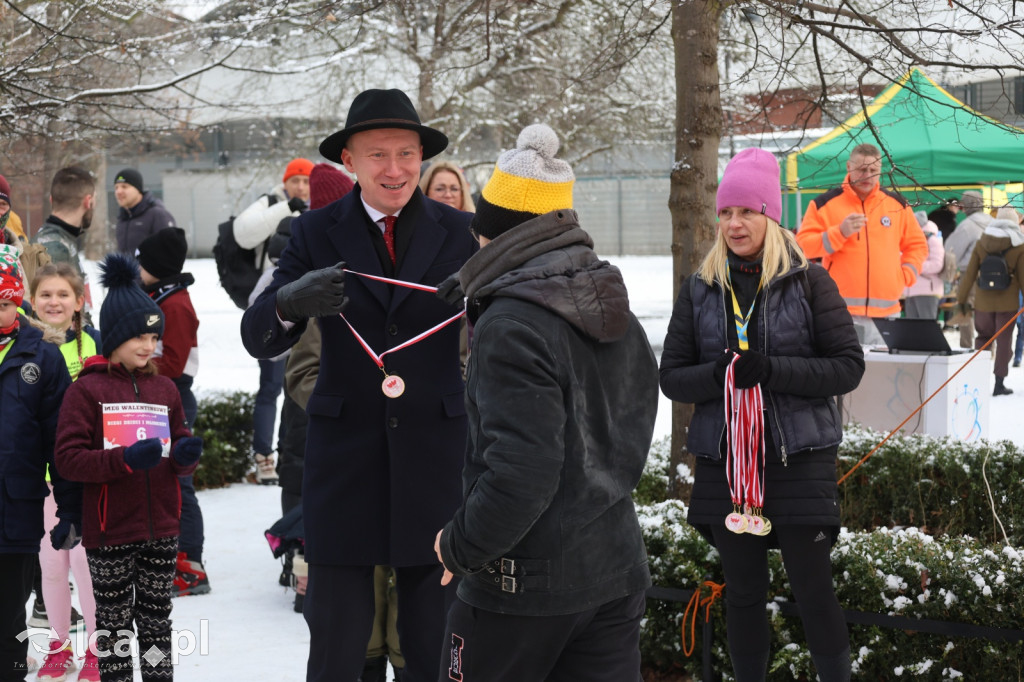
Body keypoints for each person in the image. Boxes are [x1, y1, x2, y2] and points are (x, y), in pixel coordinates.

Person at [240, 87, 477, 682]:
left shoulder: (462, 232)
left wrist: (485, 303)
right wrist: (289, 303)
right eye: (377, 155)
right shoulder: (314, 231)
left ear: (422, 155)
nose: (394, 170)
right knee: (339, 649)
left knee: (435, 645)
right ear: (348, 158)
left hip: (436, 465)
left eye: (406, 153)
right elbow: (257, 335)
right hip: (344, 468)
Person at [432, 124, 658, 680]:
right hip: (613, 569)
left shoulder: (512, 324)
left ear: (496, 234)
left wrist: (457, 545)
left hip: (524, 586)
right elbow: (631, 429)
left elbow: (522, 474)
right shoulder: (609, 301)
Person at [660, 148, 865, 682]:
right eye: (725, 213)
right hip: (728, 464)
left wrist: (771, 369)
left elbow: (846, 368)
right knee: (744, 594)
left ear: (770, 216)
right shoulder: (701, 287)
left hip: (797, 458)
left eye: (745, 212)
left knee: (813, 588)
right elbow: (671, 376)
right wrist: (720, 375)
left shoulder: (809, 281)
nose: (733, 224)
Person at [54, 253, 201, 682]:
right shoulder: (87, 390)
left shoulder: (164, 389)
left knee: (157, 626)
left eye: (153, 337)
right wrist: (123, 460)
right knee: (115, 628)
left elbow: (177, 454)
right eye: (138, 336)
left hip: (162, 528)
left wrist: (185, 458)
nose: (147, 345)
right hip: (111, 530)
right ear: (114, 337)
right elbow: (67, 458)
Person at [0, 243, 77, 682]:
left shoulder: (42, 357)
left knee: (10, 623)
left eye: (6, 303)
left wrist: (70, 509)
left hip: (16, 512)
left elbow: (59, 441)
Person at [29, 263, 102, 681]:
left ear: (78, 302)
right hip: (38, 480)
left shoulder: (92, 349)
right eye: (45, 295)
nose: (54, 302)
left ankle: (96, 648)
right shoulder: (23, 348)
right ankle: (59, 646)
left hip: (81, 477)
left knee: (84, 565)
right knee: (51, 567)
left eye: (62, 295)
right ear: (32, 301)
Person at [136, 227, 210, 596]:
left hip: (175, 397)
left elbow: (175, 363)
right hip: (160, 396)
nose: (137, 266)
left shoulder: (175, 304)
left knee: (180, 481)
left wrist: (138, 368)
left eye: (142, 261)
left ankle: (191, 561)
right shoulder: (158, 297)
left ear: (157, 267)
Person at [795, 143, 927, 346]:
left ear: (880, 171)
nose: (867, 175)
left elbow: (917, 245)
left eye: (873, 170)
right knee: (843, 374)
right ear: (848, 167)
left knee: (883, 376)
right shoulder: (824, 204)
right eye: (862, 169)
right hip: (839, 312)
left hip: (887, 313)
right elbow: (803, 247)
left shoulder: (897, 205)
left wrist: (905, 275)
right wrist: (839, 233)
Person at [235, 157, 313, 485]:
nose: (301, 187)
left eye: (306, 181)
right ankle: (264, 454)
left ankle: (281, 453)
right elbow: (244, 234)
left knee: (295, 396)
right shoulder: (271, 204)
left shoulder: (321, 213)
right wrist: (286, 208)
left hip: (307, 333)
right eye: (295, 180)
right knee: (270, 391)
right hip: (273, 329)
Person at [955, 206, 1024, 396]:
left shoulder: (982, 242)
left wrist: (961, 300)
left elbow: (969, 274)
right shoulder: (1019, 245)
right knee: (1004, 342)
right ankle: (999, 383)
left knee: (983, 338)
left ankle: (979, 378)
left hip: (983, 300)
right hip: (1007, 303)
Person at [32, 167, 96, 312]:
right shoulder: (54, 248)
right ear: (88, 201)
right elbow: (53, 318)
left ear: (51, 200)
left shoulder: (64, 240)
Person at [945, 190, 993, 349]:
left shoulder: (967, 225)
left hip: (970, 273)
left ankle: (967, 347)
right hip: (994, 273)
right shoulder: (992, 222)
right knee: (987, 310)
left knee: (965, 308)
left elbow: (951, 249)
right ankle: (988, 348)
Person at [113, 168, 177, 256]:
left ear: (138, 189)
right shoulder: (123, 219)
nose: (118, 191)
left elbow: (172, 253)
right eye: (116, 187)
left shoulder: (157, 215)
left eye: (124, 186)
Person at [902, 211, 945, 320]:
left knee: (927, 328)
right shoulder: (911, 239)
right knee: (913, 328)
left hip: (927, 291)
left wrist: (914, 266)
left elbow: (937, 265)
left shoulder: (932, 239)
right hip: (911, 290)